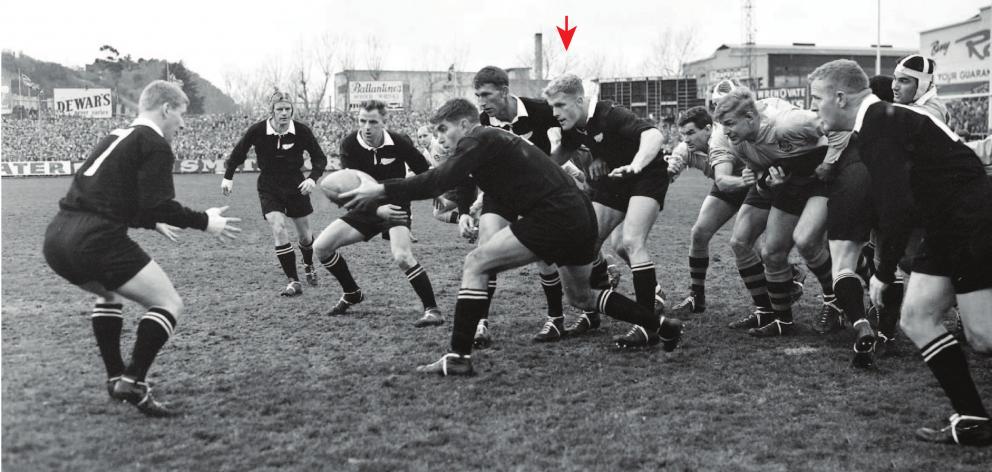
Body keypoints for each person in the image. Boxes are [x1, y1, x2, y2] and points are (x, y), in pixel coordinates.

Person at [340, 98, 683, 375]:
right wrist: (462, 210)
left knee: (476, 263)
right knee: (582, 296)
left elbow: (434, 180)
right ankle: (662, 324)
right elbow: (460, 188)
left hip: (556, 215)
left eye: (443, 130)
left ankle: (458, 356)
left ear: (464, 124)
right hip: (577, 214)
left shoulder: (478, 137)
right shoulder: (486, 147)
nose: (440, 138)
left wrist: (380, 190)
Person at [809, 59, 992, 446]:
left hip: (971, 219)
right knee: (917, 317)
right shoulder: (879, 121)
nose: (815, 109)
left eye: (817, 100)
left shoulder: (880, 122)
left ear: (840, 97)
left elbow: (897, 205)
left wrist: (882, 270)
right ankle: (974, 419)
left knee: (983, 336)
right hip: (946, 223)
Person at [42, 80, 242, 417]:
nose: (182, 123)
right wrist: (206, 221)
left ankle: (116, 378)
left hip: (58, 237)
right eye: (181, 113)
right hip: (96, 240)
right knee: (168, 303)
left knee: (108, 295)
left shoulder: (116, 136)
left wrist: (150, 221)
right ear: (165, 108)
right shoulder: (155, 144)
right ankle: (133, 381)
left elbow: (113, 196)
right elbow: (160, 204)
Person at [711, 88, 847, 338]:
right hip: (790, 179)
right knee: (771, 251)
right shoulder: (739, 144)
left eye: (730, 123)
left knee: (806, 241)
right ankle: (783, 321)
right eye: (723, 125)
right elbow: (764, 184)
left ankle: (835, 302)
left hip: (820, 175)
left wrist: (829, 163)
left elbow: (840, 126)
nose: (726, 131)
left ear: (751, 118)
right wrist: (765, 183)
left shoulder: (787, 124)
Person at [544, 74, 669, 335]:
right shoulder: (574, 127)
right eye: (552, 106)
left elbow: (654, 135)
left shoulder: (610, 113)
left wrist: (636, 165)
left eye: (560, 105)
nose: (554, 113)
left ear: (579, 100)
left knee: (630, 242)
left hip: (646, 175)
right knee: (585, 244)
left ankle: (646, 326)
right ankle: (592, 313)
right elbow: (550, 162)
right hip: (615, 179)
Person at [312, 100, 443, 327]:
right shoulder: (350, 145)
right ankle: (352, 292)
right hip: (363, 206)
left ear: (384, 122)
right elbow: (349, 191)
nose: (367, 127)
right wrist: (375, 209)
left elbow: (423, 169)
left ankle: (432, 310)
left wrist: (437, 193)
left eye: (373, 122)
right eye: (362, 121)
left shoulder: (399, 142)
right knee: (321, 247)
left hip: (395, 205)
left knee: (401, 255)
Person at [472, 65, 572, 343]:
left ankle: (555, 320)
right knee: (486, 248)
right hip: (502, 192)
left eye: (486, 95)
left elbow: (573, 139)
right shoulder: (483, 120)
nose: (481, 102)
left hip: (537, 195)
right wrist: (477, 201)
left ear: (504, 92)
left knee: (544, 253)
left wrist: (549, 170)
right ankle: (480, 322)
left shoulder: (541, 111)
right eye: (477, 95)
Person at [222, 91, 328, 297]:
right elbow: (238, 153)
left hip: (296, 184)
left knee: (305, 236)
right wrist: (228, 177)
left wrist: (312, 179)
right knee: (278, 227)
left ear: (292, 110)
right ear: (271, 111)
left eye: (288, 109)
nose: (284, 113)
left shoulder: (302, 131)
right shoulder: (258, 130)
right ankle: (293, 280)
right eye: (280, 109)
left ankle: (308, 263)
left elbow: (320, 158)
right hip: (269, 184)